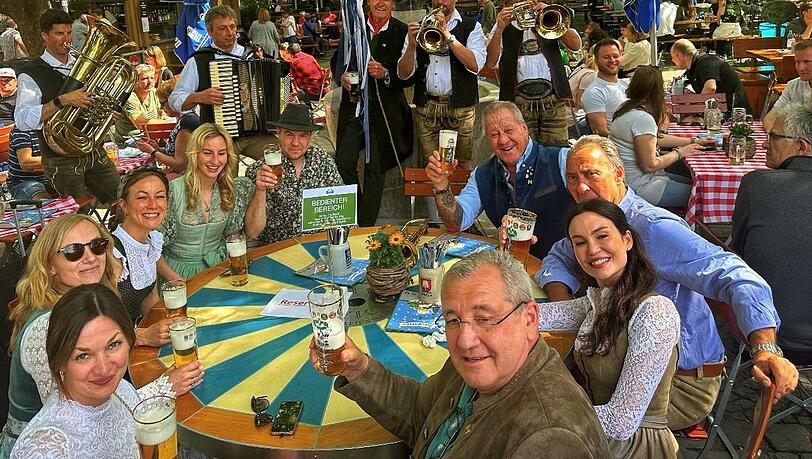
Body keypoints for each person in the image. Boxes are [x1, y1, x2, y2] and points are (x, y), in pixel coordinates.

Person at [536, 135, 799, 431]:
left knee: (546, 409)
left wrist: (764, 346)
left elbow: (735, 273)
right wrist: (560, 296)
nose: (581, 187)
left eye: (591, 174)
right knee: (540, 381)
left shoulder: (654, 228)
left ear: (619, 174)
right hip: (622, 366)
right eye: (572, 177)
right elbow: (559, 255)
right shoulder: (593, 220)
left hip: (682, 383)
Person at [310, 249, 611, 457]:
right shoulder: (481, 366)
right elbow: (421, 413)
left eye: (484, 318)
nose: (465, 340)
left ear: (529, 320)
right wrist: (358, 367)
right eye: (453, 319)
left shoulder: (551, 439)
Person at [0, 214, 201, 455]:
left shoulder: (83, 299)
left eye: (97, 246)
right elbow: (83, 408)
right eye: (73, 251)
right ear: (50, 264)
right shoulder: (46, 328)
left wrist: (138, 336)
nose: (90, 258)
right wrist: (165, 386)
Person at [539, 199, 680, 457]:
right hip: (593, 430)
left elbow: (621, 422)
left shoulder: (654, 312)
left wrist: (540, 413)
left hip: (634, 446)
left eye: (602, 236)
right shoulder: (598, 300)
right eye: (580, 242)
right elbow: (534, 317)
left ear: (627, 240)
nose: (592, 249)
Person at [427, 101, 572, 259]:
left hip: (566, 266)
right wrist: (441, 185)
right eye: (494, 135)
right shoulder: (482, 174)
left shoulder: (562, 160)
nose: (503, 140)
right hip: (513, 268)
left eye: (509, 130)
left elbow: (596, 203)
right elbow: (456, 223)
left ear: (524, 127)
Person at [10, 285, 142, 457]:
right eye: (83, 356)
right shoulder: (47, 448)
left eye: (113, 345)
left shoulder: (123, 390)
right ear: (60, 362)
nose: (104, 368)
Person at [731, 104, 812, 365]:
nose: (765, 145)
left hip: (766, 333)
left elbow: (739, 253)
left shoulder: (757, 184)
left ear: (801, 147)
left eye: (774, 138)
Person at [14, 9, 120, 205]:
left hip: (92, 149)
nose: (66, 39)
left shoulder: (83, 64)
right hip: (60, 158)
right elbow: (22, 119)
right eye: (59, 34)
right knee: (79, 215)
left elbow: (93, 103)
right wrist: (62, 100)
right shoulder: (31, 73)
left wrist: (106, 115)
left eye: (69, 32)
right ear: (45, 36)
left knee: (122, 201)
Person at [333, 0, 414, 226]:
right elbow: (336, 62)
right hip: (354, 110)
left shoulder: (401, 31)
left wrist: (386, 74)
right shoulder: (354, 27)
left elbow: (409, 76)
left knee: (375, 169)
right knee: (343, 162)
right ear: (367, 1)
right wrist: (342, 77)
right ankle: (357, 213)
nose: (381, 2)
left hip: (385, 114)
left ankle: (365, 226)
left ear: (394, 3)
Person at [169, 5, 276, 161]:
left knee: (281, 157)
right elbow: (174, 100)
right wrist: (199, 97)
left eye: (232, 27)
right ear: (210, 32)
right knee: (224, 181)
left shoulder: (250, 56)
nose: (230, 33)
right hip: (219, 138)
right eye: (223, 28)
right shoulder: (199, 60)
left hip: (255, 134)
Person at [397, 0, 487, 171]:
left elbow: (475, 65)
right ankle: (437, 198)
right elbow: (403, 74)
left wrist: (448, 36)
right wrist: (411, 46)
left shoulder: (471, 26)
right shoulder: (421, 27)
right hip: (427, 108)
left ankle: (464, 198)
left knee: (463, 163)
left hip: (461, 109)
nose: (440, 2)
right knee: (431, 165)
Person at [609, 66, 714, 207]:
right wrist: (681, 152)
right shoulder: (641, 118)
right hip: (641, 187)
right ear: (658, 91)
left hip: (632, 181)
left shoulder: (627, 108)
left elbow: (654, 139)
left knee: (697, 184)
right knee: (704, 194)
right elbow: (649, 165)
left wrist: (694, 141)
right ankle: (694, 229)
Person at [159, 123, 253, 279]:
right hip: (176, 273)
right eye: (208, 153)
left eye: (221, 153)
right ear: (194, 154)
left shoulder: (231, 189)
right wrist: (176, 280)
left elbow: (234, 235)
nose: (215, 161)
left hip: (219, 270)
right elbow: (151, 247)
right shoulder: (173, 192)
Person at [485, 0, 581, 146]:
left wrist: (551, 14)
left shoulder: (547, 16)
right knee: (523, 152)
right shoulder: (503, 24)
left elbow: (575, 45)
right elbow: (490, 62)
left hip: (553, 100)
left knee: (557, 151)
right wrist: (499, 28)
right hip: (518, 103)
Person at [245, 104, 343, 245]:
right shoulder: (259, 171)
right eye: (289, 134)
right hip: (280, 250)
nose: (296, 143)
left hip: (319, 245)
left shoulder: (322, 160)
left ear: (310, 137)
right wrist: (260, 190)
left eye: (302, 136)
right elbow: (252, 232)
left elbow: (342, 210)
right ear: (278, 133)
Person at [111, 166, 182, 331]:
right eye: (142, 198)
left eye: (159, 197)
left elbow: (150, 298)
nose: (153, 205)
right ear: (124, 205)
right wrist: (141, 335)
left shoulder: (151, 242)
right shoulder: (113, 253)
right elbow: (100, 322)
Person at [670, 38, 751, 113]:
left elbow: (710, 88)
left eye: (672, 57)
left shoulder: (705, 62)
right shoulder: (692, 68)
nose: (672, 60)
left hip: (735, 114)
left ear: (681, 56)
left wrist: (696, 110)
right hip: (721, 110)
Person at [136, 79, 199, 174]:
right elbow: (176, 153)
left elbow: (179, 164)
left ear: (174, 100)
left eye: (163, 103)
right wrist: (158, 149)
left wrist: (153, 151)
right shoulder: (183, 119)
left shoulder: (187, 122)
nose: (161, 108)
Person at [582, 39, 628, 137]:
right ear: (596, 60)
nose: (612, 60)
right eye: (606, 57)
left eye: (615, 56)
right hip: (623, 147)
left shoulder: (628, 83)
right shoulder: (594, 92)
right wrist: (634, 139)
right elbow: (601, 132)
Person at [765, 39, 812, 122]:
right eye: (797, 62)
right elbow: (769, 118)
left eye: (806, 62)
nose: (801, 68)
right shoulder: (792, 86)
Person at [7, 127, 57, 200]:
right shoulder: (21, 129)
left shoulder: (51, 127)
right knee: (44, 201)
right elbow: (26, 163)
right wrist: (59, 161)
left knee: (78, 191)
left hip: (50, 178)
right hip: (23, 182)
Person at [115, 63, 160, 142]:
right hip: (129, 142)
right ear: (136, 81)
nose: (150, 82)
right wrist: (168, 122)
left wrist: (164, 116)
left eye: (152, 78)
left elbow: (161, 111)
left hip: (149, 138)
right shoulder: (129, 97)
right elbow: (141, 124)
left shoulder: (153, 92)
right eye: (145, 78)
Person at [567, 43, 598, 138]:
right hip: (572, 121)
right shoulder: (590, 74)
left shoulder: (580, 68)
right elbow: (580, 103)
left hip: (567, 116)